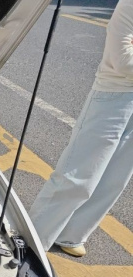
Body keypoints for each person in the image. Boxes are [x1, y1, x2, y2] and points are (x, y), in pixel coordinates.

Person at [29, 0, 133, 257]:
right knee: (79, 174)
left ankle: (71, 234)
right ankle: (35, 236)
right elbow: (123, 61)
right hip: (113, 96)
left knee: (115, 180)